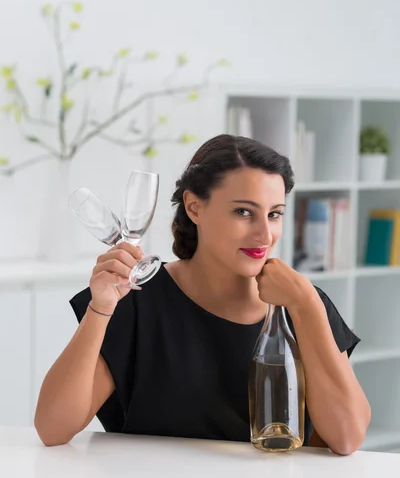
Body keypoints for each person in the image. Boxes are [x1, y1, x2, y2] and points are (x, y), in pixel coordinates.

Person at [34, 134, 371, 454]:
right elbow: (52, 428)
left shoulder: (302, 303)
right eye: (243, 212)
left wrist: (307, 304)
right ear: (194, 208)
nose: (264, 233)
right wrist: (100, 308)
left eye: (275, 214)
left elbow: (347, 437)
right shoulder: (137, 298)